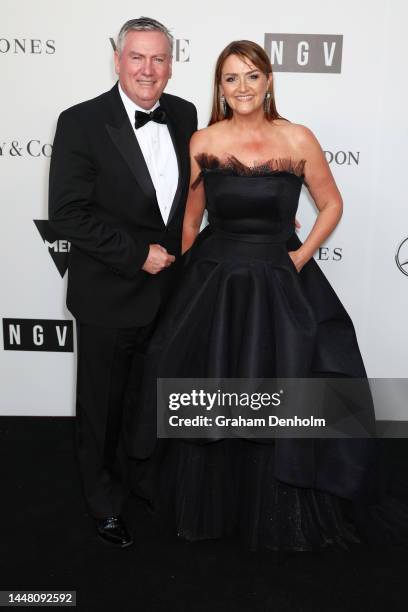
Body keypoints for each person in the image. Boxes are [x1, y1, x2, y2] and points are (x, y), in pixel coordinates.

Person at [131, 40, 405, 551]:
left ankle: (288, 506)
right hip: (218, 280)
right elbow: (190, 221)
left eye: (252, 76)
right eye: (231, 78)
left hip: (279, 278)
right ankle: (215, 504)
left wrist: (299, 258)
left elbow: (330, 204)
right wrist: (191, 284)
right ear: (220, 86)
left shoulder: (297, 137)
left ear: (269, 81)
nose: (242, 88)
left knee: (289, 382)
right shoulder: (202, 141)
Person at [48, 17, 197, 548]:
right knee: (103, 408)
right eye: (138, 57)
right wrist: (137, 255)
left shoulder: (183, 114)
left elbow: (193, 199)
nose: (148, 70)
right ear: (117, 59)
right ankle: (103, 503)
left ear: (172, 65)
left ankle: (143, 483)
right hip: (109, 293)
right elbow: (67, 214)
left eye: (159, 59)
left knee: (147, 401)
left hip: (168, 297)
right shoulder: (81, 122)